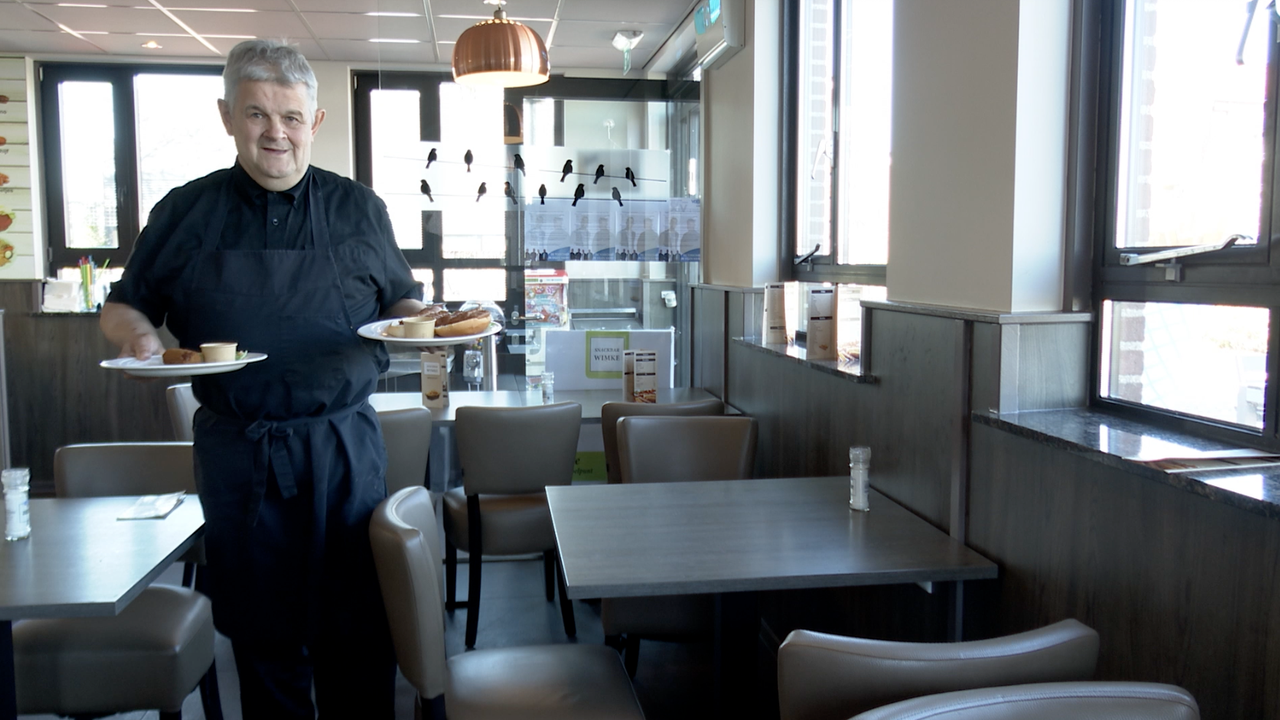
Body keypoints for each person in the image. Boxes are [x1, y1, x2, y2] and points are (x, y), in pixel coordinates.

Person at [99, 40, 424, 720]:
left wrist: (423, 319)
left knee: (358, 632)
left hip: (343, 449)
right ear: (227, 116)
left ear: (316, 121)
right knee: (262, 640)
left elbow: (399, 298)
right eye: (256, 113)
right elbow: (125, 304)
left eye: (291, 116)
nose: (276, 132)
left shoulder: (359, 208)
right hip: (239, 454)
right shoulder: (185, 212)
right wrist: (138, 337)